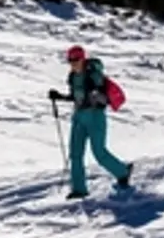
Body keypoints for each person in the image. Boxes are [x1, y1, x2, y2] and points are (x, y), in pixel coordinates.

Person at [47, 44, 133, 199]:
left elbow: (99, 94)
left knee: (99, 153)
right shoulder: (72, 77)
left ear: (83, 58)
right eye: (70, 60)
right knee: (75, 154)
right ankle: (80, 189)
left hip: (95, 117)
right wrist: (59, 96)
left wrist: (95, 91)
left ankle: (123, 172)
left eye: (76, 59)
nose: (73, 62)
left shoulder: (93, 74)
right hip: (79, 117)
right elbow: (76, 97)